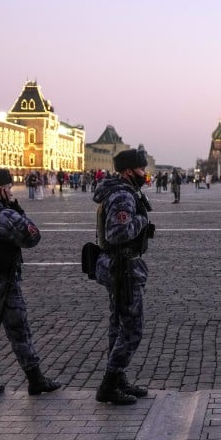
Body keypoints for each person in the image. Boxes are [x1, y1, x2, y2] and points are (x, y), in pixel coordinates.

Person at [0, 168, 62, 398]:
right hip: (3, 284)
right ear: (2, 190)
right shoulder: (3, 215)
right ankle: (35, 379)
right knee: (19, 333)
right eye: (9, 189)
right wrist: (15, 210)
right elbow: (32, 237)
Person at [92, 149, 156, 406]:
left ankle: (118, 378)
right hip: (122, 268)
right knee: (132, 328)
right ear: (129, 171)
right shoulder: (122, 196)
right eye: (141, 169)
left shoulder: (122, 191)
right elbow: (118, 232)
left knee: (118, 324)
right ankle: (108, 384)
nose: (145, 174)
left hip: (120, 266)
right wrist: (141, 220)